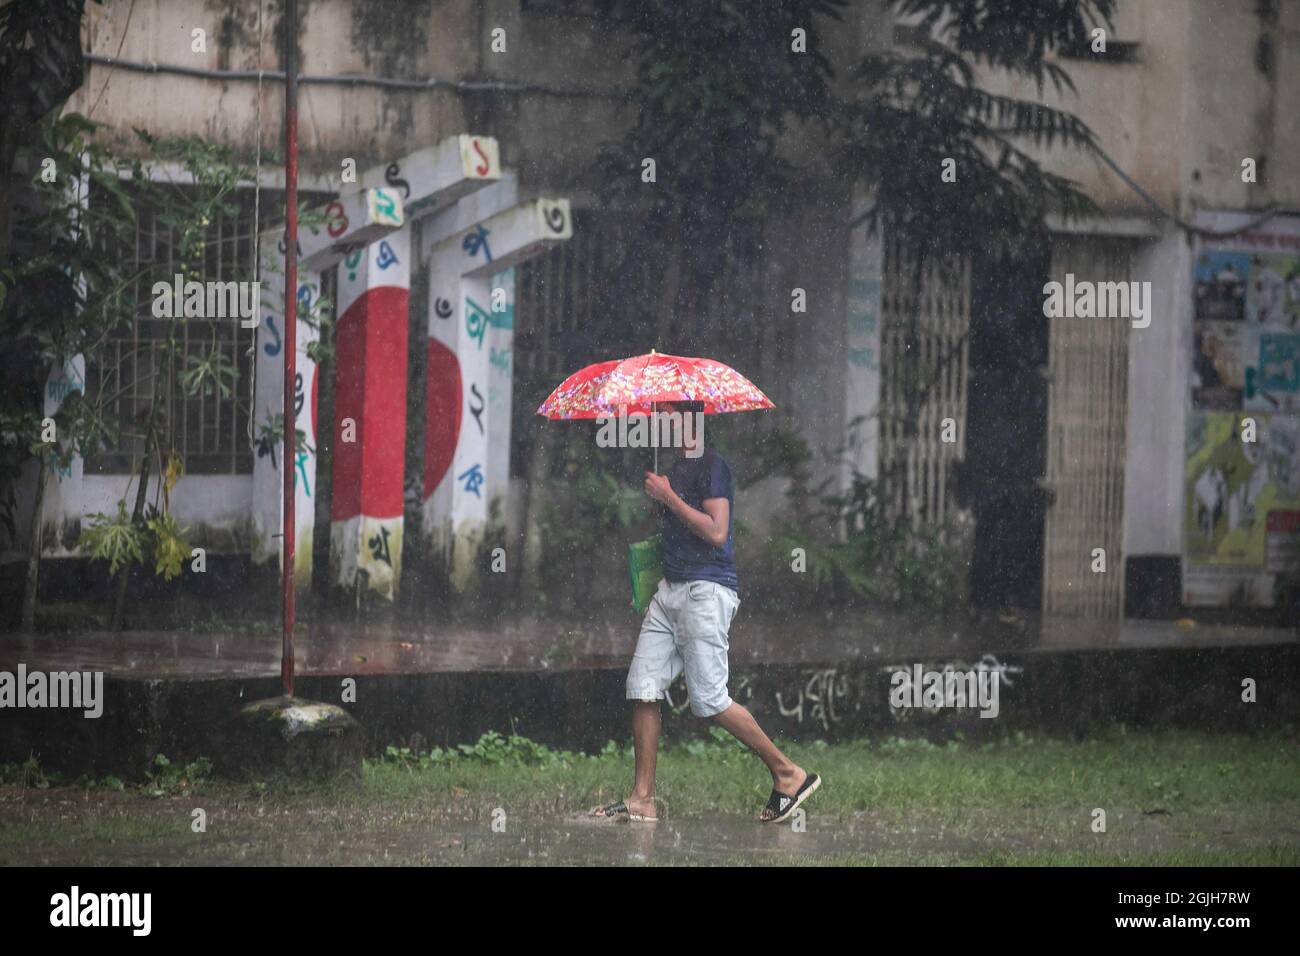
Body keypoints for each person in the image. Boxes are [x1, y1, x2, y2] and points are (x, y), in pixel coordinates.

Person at [591, 401, 820, 824]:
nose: (662, 424)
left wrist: (668, 497)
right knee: (643, 685)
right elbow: (680, 529)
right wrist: (663, 498)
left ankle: (789, 773)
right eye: (659, 417)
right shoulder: (675, 468)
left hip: (706, 591)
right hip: (670, 591)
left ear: (691, 420)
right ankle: (642, 798)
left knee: (710, 700)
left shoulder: (714, 466)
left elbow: (716, 532)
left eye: (670, 416)